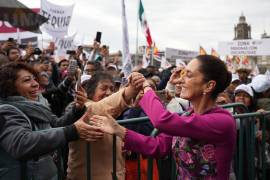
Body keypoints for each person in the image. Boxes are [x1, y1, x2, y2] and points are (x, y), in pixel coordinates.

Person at [92, 55, 236, 179]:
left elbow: (162, 120)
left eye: (189, 75)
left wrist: (147, 88)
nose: (181, 80)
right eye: (183, 74)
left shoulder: (222, 121)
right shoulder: (187, 115)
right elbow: (157, 146)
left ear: (209, 86)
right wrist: (118, 129)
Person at [0, 62, 101, 180]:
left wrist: (77, 108)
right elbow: (20, 143)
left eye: (34, 79)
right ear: (10, 86)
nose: (35, 84)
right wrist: (70, 132)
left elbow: (58, 124)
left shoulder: (38, 106)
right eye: (27, 80)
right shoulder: (5, 111)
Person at [67, 72, 144, 180]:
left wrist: (122, 146)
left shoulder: (109, 115)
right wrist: (130, 90)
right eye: (103, 88)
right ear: (91, 91)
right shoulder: (84, 110)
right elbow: (103, 106)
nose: (108, 93)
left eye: (112, 89)